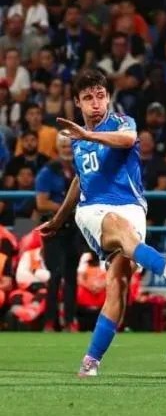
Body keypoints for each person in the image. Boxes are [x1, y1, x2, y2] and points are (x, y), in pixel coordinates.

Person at [38, 68, 166, 377]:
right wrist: (59, 218)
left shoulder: (121, 123)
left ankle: (91, 361)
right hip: (93, 210)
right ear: (77, 102)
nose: (96, 103)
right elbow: (81, 179)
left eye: (101, 96)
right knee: (116, 224)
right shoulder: (78, 140)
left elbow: (128, 139)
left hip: (132, 208)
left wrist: (88, 136)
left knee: (118, 283)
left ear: (108, 98)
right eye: (88, 98)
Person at [35, 133, 84, 332]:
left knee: (71, 276)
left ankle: (70, 321)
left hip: (74, 228)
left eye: (70, 146)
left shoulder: (80, 168)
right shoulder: (48, 171)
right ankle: (50, 322)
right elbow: (41, 203)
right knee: (54, 275)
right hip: (54, 229)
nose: (67, 150)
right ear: (57, 148)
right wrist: (67, 208)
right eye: (63, 146)